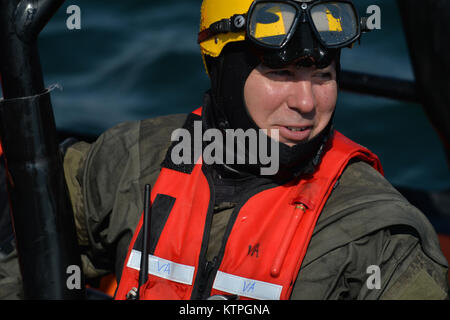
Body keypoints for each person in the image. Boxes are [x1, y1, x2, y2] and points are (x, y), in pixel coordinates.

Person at [3, 0, 449, 299]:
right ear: (223, 70)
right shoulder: (128, 160)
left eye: (323, 74)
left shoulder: (376, 234)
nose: (307, 103)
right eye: (282, 72)